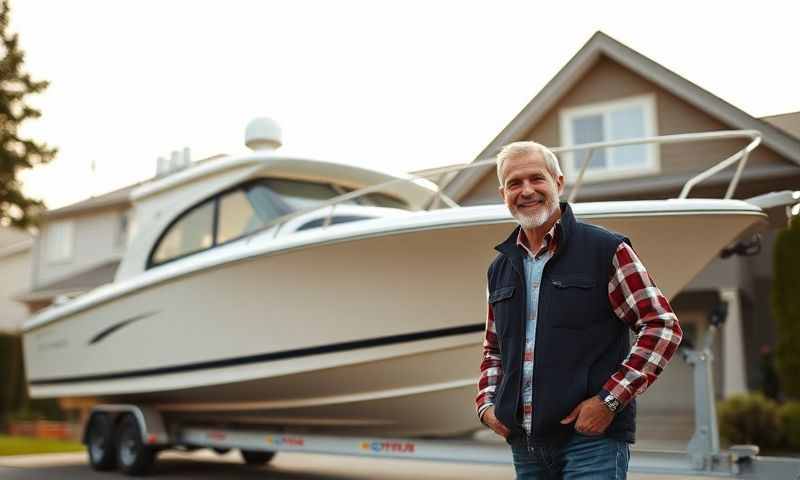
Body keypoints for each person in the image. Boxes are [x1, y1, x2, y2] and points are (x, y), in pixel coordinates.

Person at [475, 141, 683, 479]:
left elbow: (662, 326)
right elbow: (493, 350)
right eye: (514, 183)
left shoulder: (606, 250)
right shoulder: (499, 268)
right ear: (503, 194)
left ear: (557, 183)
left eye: (536, 179)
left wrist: (609, 401)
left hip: (591, 442)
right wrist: (486, 406)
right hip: (525, 446)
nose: (526, 190)